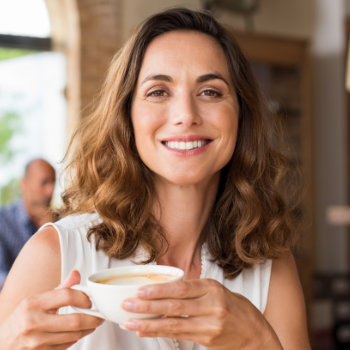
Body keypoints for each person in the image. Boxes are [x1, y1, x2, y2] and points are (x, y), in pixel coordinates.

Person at [0, 8, 311, 350]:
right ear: (127, 116)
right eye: (158, 92)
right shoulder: (54, 255)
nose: (186, 116)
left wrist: (258, 340)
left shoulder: (270, 265)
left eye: (210, 91)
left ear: (241, 113)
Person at [0, 158, 56, 288]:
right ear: (24, 184)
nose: (51, 190)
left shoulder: (59, 222)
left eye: (53, 182)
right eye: (44, 182)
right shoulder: (3, 221)